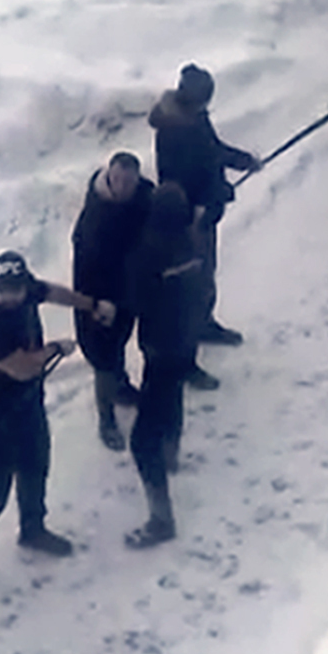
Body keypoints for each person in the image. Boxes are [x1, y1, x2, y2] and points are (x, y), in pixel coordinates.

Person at [0, 249, 108, 601]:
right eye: (3, 290)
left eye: (16, 289)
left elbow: (51, 292)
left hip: (27, 405)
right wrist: (56, 348)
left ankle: (33, 528)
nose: (10, 296)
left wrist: (90, 304)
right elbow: (22, 366)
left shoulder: (28, 291)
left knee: (36, 465)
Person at [148, 64, 258, 368]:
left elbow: (213, 152)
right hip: (188, 221)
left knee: (205, 275)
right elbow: (191, 178)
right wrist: (217, 193)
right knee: (190, 285)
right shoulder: (175, 130)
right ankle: (187, 350)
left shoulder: (192, 118)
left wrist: (242, 161)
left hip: (204, 215)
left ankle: (204, 323)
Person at [124, 184, 210, 548]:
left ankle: (161, 518)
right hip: (184, 343)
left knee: (142, 440)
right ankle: (172, 455)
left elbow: (134, 298)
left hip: (158, 346)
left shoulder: (149, 251)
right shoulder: (194, 244)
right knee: (173, 400)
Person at [71, 151, 155, 450]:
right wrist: (93, 305)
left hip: (128, 291)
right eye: (117, 180)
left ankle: (121, 389)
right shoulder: (94, 219)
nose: (123, 187)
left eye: (129, 181)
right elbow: (85, 270)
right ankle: (106, 417)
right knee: (104, 359)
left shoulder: (144, 194)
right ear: (109, 177)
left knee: (120, 343)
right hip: (98, 300)